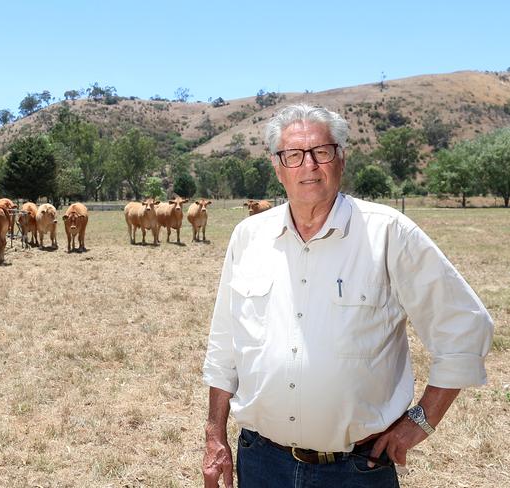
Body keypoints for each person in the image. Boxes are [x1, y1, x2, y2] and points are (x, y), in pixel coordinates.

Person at [201, 103, 493, 487]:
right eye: (293, 155)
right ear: (277, 167)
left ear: (341, 158)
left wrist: (419, 423)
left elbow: (464, 327)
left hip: (356, 470)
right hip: (261, 462)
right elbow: (226, 345)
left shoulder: (388, 234)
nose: (309, 165)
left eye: (322, 152)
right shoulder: (249, 237)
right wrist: (214, 434)